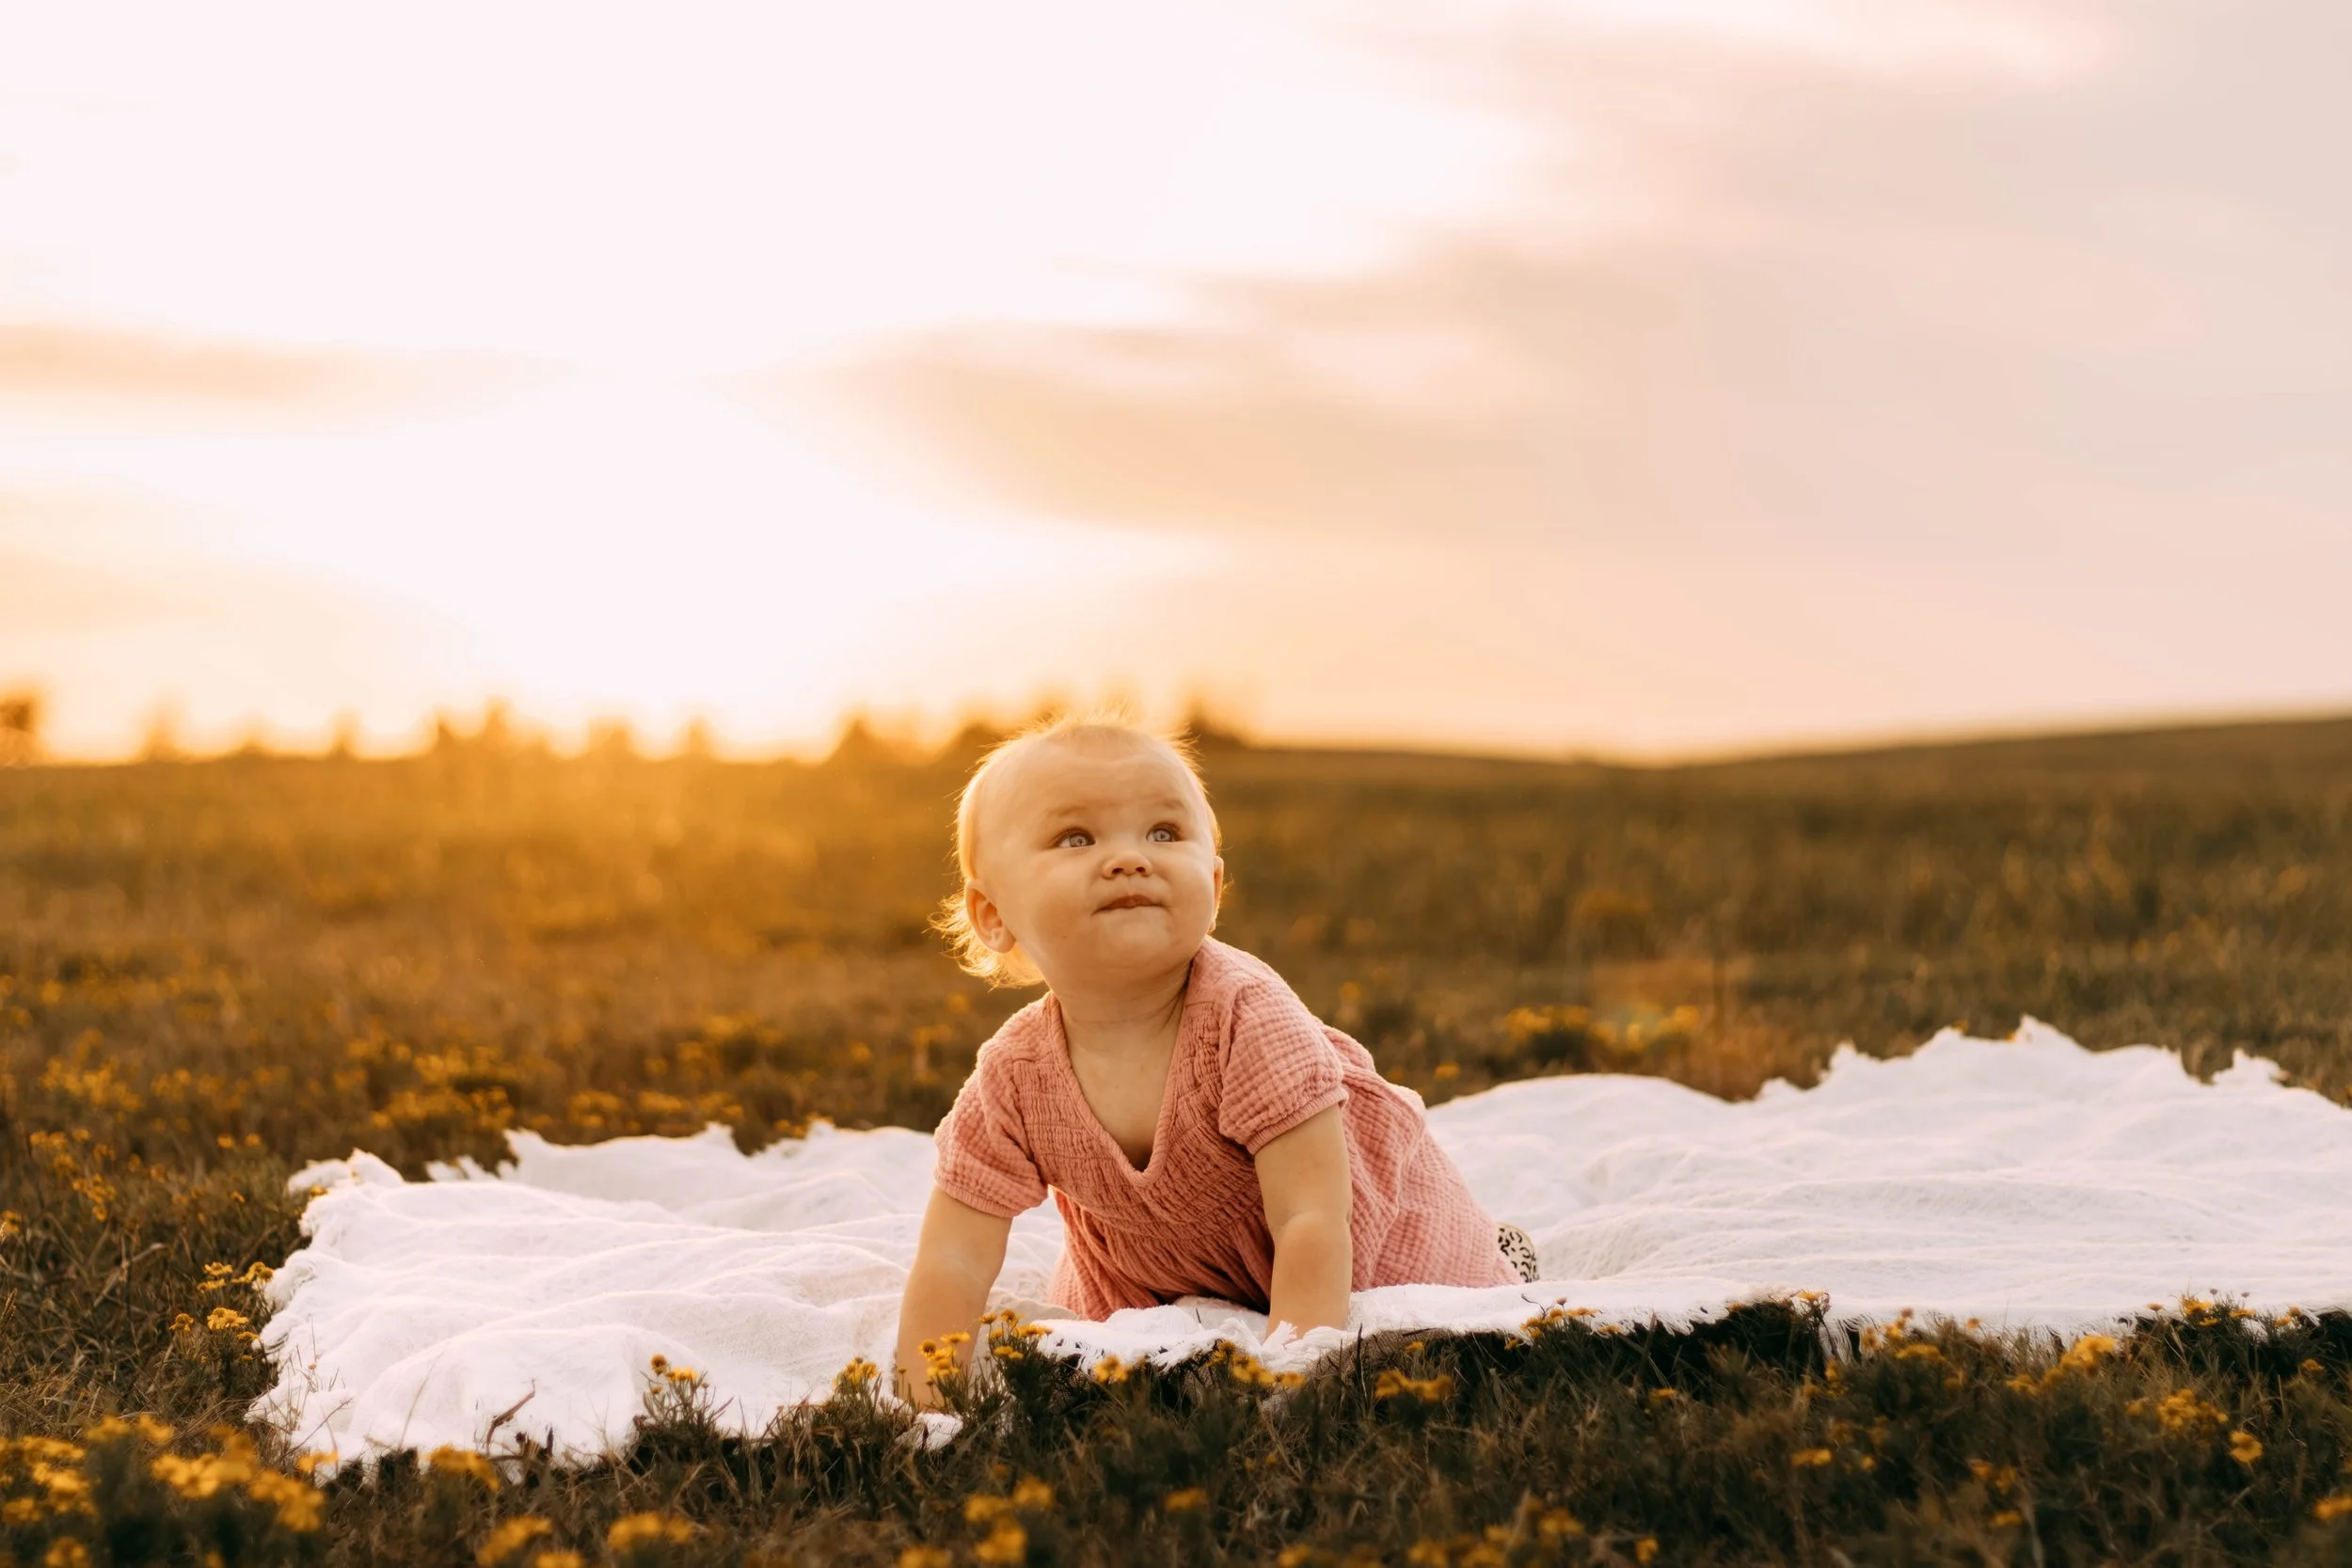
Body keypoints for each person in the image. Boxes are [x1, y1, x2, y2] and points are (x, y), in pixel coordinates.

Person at [891, 709, 1537, 1408]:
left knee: (1441, 1308)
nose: (1128, 856)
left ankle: (1504, 1251)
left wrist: (1294, 1374)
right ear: (993, 916)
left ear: (1216, 885)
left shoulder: (1244, 1015)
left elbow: (1311, 1216)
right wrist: (924, 1400)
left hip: (1351, 1241)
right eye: (1075, 836)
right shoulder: (1014, 1074)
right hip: (1164, 1267)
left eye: (1164, 832)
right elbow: (954, 1253)